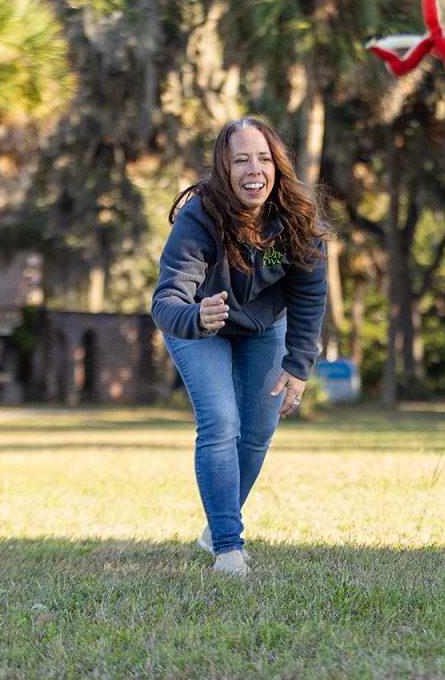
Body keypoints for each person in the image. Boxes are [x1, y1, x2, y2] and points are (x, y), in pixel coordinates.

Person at [152, 116, 327, 576]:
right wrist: (196, 316)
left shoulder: (296, 217)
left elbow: (309, 295)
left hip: (264, 326)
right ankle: (229, 547)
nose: (255, 169)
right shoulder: (199, 217)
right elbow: (165, 301)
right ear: (224, 169)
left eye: (264, 158)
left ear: (277, 166)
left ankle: (216, 524)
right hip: (199, 324)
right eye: (241, 160)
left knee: (258, 433)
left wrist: (299, 364)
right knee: (221, 422)